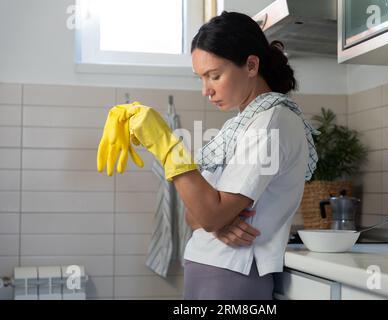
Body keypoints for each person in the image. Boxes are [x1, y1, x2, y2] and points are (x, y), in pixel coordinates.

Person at [97, 11, 318, 300]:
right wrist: (215, 221)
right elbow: (193, 215)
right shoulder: (239, 125)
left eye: (215, 75)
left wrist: (168, 147)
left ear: (251, 65)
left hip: (233, 274)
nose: (206, 90)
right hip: (209, 267)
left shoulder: (271, 122)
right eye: (201, 78)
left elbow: (209, 215)